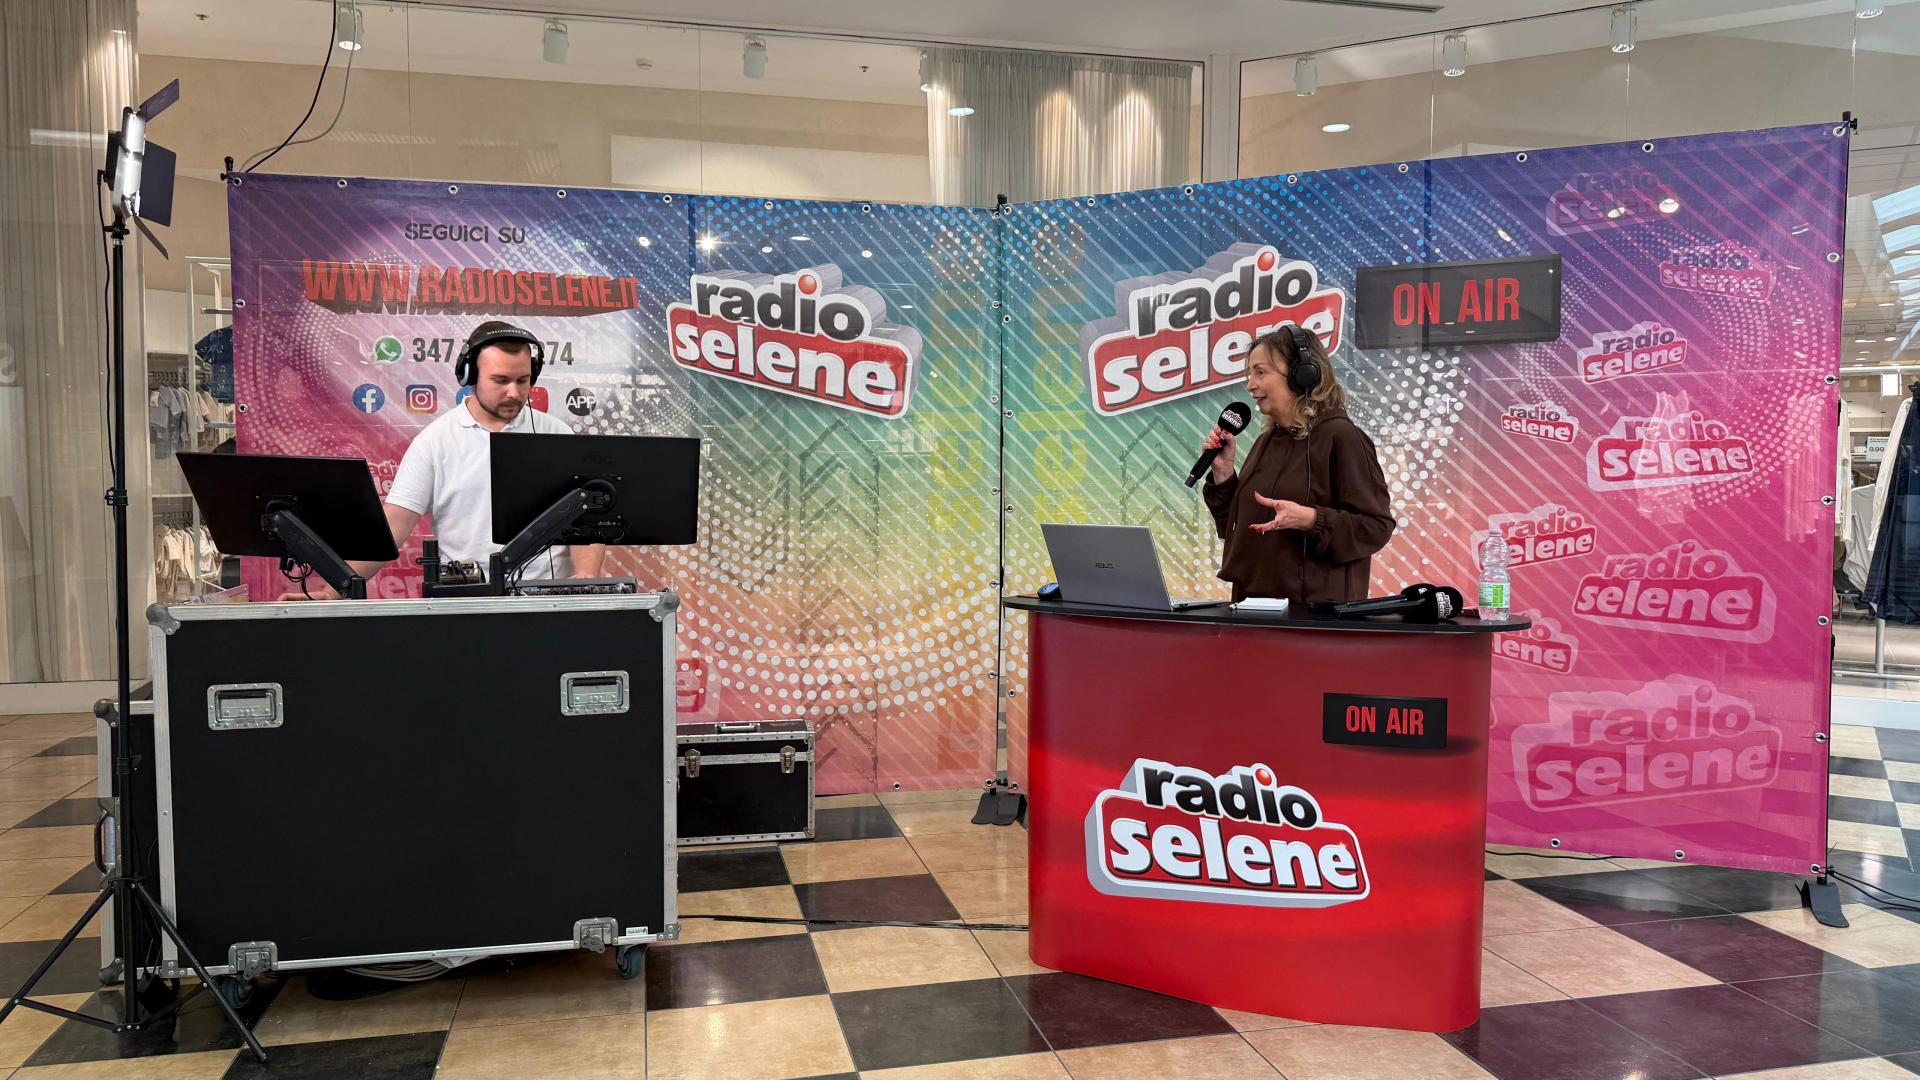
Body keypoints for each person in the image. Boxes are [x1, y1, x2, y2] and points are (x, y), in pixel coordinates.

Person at [284, 320, 603, 600]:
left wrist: (586, 578)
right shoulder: (435, 442)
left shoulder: (558, 436)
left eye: (522, 380)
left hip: (548, 602)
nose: (514, 393)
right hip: (467, 603)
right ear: (469, 375)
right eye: (500, 380)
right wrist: (333, 591)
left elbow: (587, 519)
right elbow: (392, 528)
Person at [1200, 325, 1393, 605]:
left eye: (1260, 372)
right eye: (1249, 374)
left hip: (1313, 620)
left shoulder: (1341, 437)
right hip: (1253, 611)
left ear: (1302, 374)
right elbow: (1239, 528)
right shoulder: (1267, 441)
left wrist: (1311, 519)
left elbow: (1375, 527)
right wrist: (1224, 474)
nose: (1250, 385)